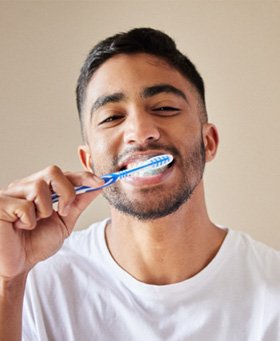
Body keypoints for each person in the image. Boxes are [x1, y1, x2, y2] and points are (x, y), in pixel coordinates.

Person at [0, 27, 279, 341]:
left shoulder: (273, 294)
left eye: (164, 108)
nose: (140, 131)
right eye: (112, 117)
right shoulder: (32, 287)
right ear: (88, 161)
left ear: (209, 142)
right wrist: (8, 282)